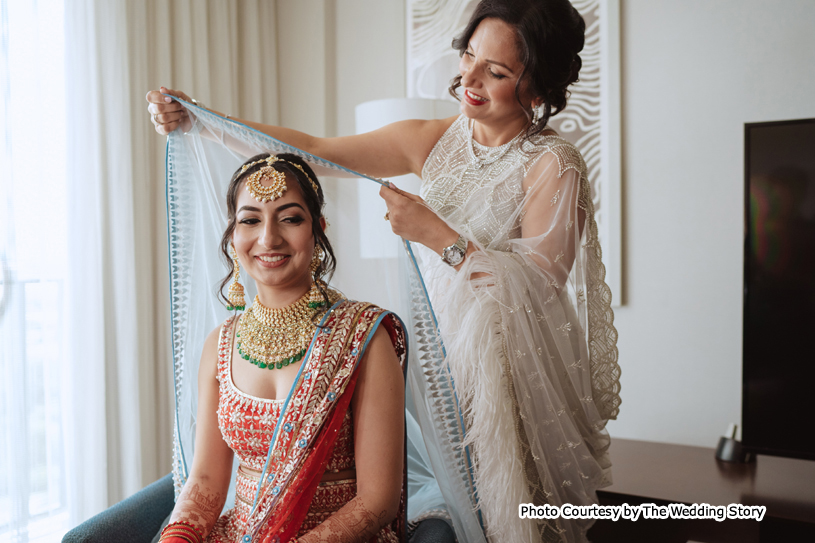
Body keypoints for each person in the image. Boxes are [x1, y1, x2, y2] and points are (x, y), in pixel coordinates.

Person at [148, 1, 620, 541]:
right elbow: (312, 150)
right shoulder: (432, 139)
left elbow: (538, 289)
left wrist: (436, 235)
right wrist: (203, 120)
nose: (469, 78)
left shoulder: (553, 163)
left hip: (510, 374)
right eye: (468, 56)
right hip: (436, 362)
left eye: (496, 72)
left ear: (536, 89)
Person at [157, 153, 407, 543]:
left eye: (290, 218)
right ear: (233, 235)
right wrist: (179, 537)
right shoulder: (220, 344)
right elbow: (206, 480)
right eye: (250, 220)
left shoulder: (363, 336)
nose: (268, 238)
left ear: (318, 229)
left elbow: (377, 502)